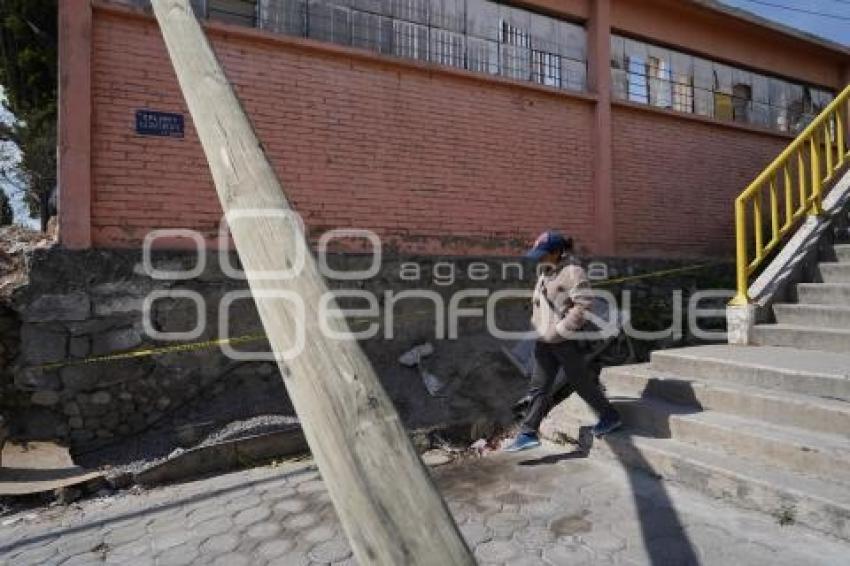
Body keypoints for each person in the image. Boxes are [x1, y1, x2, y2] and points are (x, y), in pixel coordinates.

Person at [504, 231, 622, 452]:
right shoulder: (546, 272)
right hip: (544, 340)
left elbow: (584, 304)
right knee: (539, 387)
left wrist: (560, 329)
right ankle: (528, 433)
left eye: (543, 253)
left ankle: (610, 415)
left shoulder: (572, 272)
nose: (539, 257)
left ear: (558, 252)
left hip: (565, 340)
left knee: (581, 383)